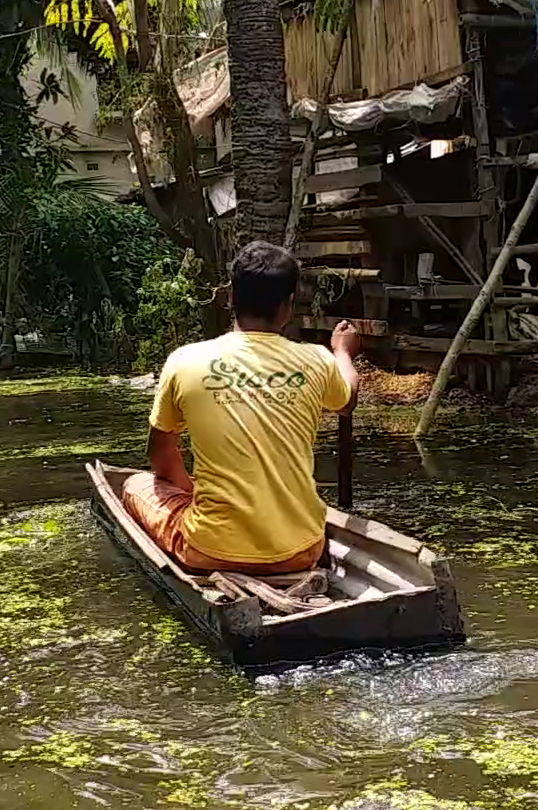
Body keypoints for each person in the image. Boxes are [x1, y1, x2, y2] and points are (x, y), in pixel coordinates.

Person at [123, 240, 362, 575]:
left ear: (231, 297)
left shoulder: (185, 360)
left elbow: (161, 458)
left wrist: (191, 494)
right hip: (303, 549)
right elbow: (348, 399)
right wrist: (343, 351)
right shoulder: (318, 360)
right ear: (288, 305)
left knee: (135, 485)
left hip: (210, 551)